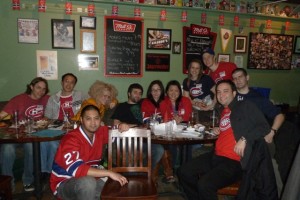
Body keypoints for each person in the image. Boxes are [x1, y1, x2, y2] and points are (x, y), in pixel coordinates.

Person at [177, 80, 271, 200]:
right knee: (184, 171)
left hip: (234, 161)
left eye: (225, 91)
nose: (221, 95)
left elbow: (264, 127)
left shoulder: (246, 106)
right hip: (216, 156)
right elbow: (234, 128)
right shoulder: (223, 110)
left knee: (205, 185)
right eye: (218, 92)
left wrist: (244, 139)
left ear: (234, 93)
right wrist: (220, 130)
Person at [50, 105, 128, 199]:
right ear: (82, 120)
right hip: (64, 182)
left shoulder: (100, 132)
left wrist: (121, 125)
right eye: (88, 119)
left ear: (100, 120)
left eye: (96, 118)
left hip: (90, 178)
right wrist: (109, 173)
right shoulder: (71, 139)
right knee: (88, 182)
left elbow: (116, 130)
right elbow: (77, 169)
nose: (93, 123)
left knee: (116, 184)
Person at [232, 68, 285, 194]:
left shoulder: (257, 98)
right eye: (235, 78)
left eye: (240, 76)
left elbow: (280, 115)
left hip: (258, 138)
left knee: (268, 165)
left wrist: (272, 132)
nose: (238, 80)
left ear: (247, 78)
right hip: (237, 139)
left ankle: (280, 193)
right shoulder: (232, 97)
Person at [0, 77, 50, 192]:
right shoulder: (19, 99)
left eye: (43, 89)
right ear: (31, 87)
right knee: (7, 149)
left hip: (32, 136)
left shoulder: (47, 99)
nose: (41, 91)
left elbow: (57, 109)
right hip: (15, 135)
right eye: (38, 88)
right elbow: (2, 115)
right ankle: (8, 184)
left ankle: (28, 181)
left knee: (31, 148)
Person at [112, 83, 164, 183]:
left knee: (159, 149)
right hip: (126, 139)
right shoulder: (121, 106)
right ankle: (134, 178)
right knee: (132, 154)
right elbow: (116, 123)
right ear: (128, 93)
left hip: (143, 139)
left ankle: (144, 173)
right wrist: (131, 126)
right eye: (135, 92)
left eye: (140, 93)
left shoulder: (143, 104)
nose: (138, 95)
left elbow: (158, 99)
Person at [43, 73, 88, 175]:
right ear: (62, 82)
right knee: (45, 143)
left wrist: (113, 101)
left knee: (54, 144)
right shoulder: (53, 98)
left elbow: (96, 100)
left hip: (74, 129)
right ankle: (45, 172)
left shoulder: (80, 95)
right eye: (66, 81)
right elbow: (47, 117)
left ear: (74, 85)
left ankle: (51, 173)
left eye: (72, 82)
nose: (69, 84)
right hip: (56, 129)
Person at [141, 80, 172, 183]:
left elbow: (167, 119)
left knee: (165, 146)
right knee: (161, 148)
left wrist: (157, 120)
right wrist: (159, 120)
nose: (156, 92)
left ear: (162, 91)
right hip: (147, 137)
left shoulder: (164, 102)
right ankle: (166, 173)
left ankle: (155, 176)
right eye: (153, 90)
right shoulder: (146, 102)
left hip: (161, 135)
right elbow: (146, 121)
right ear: (150, 91)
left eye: (158, 89)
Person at [160, 80, 193, 169]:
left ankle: (186, 169)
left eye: (176, 90)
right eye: (171, 90)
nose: (174, 93)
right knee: (172, 144)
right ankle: (173, 170)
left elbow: (188, 116)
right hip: (170, 131)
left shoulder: (185, 100)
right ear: (167, 92)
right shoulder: (163, 102)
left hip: (184, 130)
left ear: (180, 92)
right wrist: (175, 120)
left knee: (188, 143)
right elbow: (165, 117)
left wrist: (181, 119)